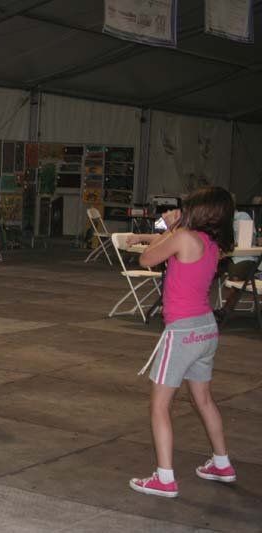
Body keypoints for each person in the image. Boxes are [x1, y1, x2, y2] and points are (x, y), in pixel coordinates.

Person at [126, 187, 237, 498]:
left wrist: (166, 231)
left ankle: (164, 478)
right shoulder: (211, 242)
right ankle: (221, 462)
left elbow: (149, 260)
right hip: (205, 330)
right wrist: (148, 236)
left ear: (200, 211)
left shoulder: (183, 236)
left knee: (160, 405)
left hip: (182, 333)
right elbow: (171, 245)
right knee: (203, 399)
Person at [214, 209, 258, 322]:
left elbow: (244, 241)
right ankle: (196, 307)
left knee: (236, 280)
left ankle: (225, 311)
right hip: (226, 256)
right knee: (205, 272)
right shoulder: (218, 220)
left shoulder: (241, 216)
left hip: (243, 257)